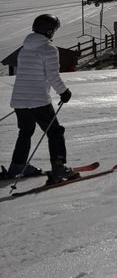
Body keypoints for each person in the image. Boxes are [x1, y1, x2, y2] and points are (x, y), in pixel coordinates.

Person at [6, 14, 78, 183]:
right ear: (49, 31)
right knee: (55, 132)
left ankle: (18, 165)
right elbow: (52, 75)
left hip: (19, 99)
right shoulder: (49, 49)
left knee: (25, 132)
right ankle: (59, 169)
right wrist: (64, 92)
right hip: (38, 99)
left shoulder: (25, 48)